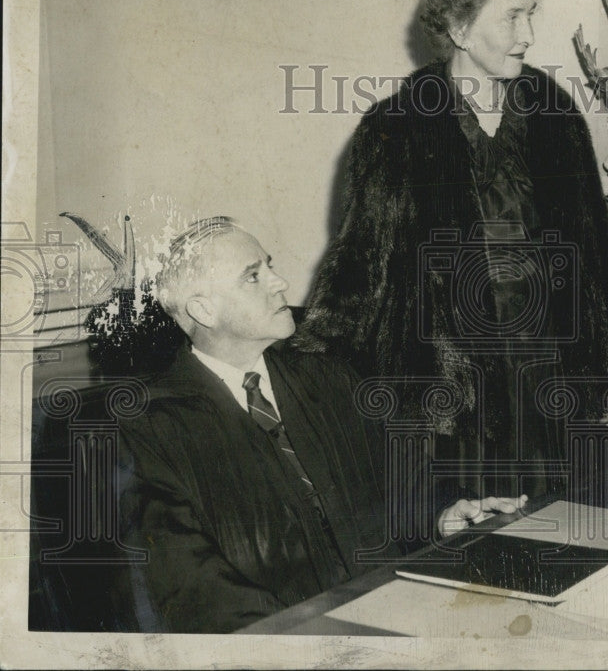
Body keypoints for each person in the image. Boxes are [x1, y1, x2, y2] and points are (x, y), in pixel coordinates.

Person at [296, 0, 608, 500]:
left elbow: (596, 253)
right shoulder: (396, 128)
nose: (527, 34)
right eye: (511, 16)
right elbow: (360, 269)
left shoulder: (556, 118)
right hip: (452, 397)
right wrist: (312, 379)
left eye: (531, 13)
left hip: (550, 379)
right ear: (458, 28)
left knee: (565, 540)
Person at [116, 217, 525, 633]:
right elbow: (195, 588)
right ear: (203, 309)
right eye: (253, 277)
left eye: (269, 266)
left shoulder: (328, 377)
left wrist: (442, 514)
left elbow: (404, 482)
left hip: (398, 612)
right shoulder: (149, 431)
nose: (280, 282)